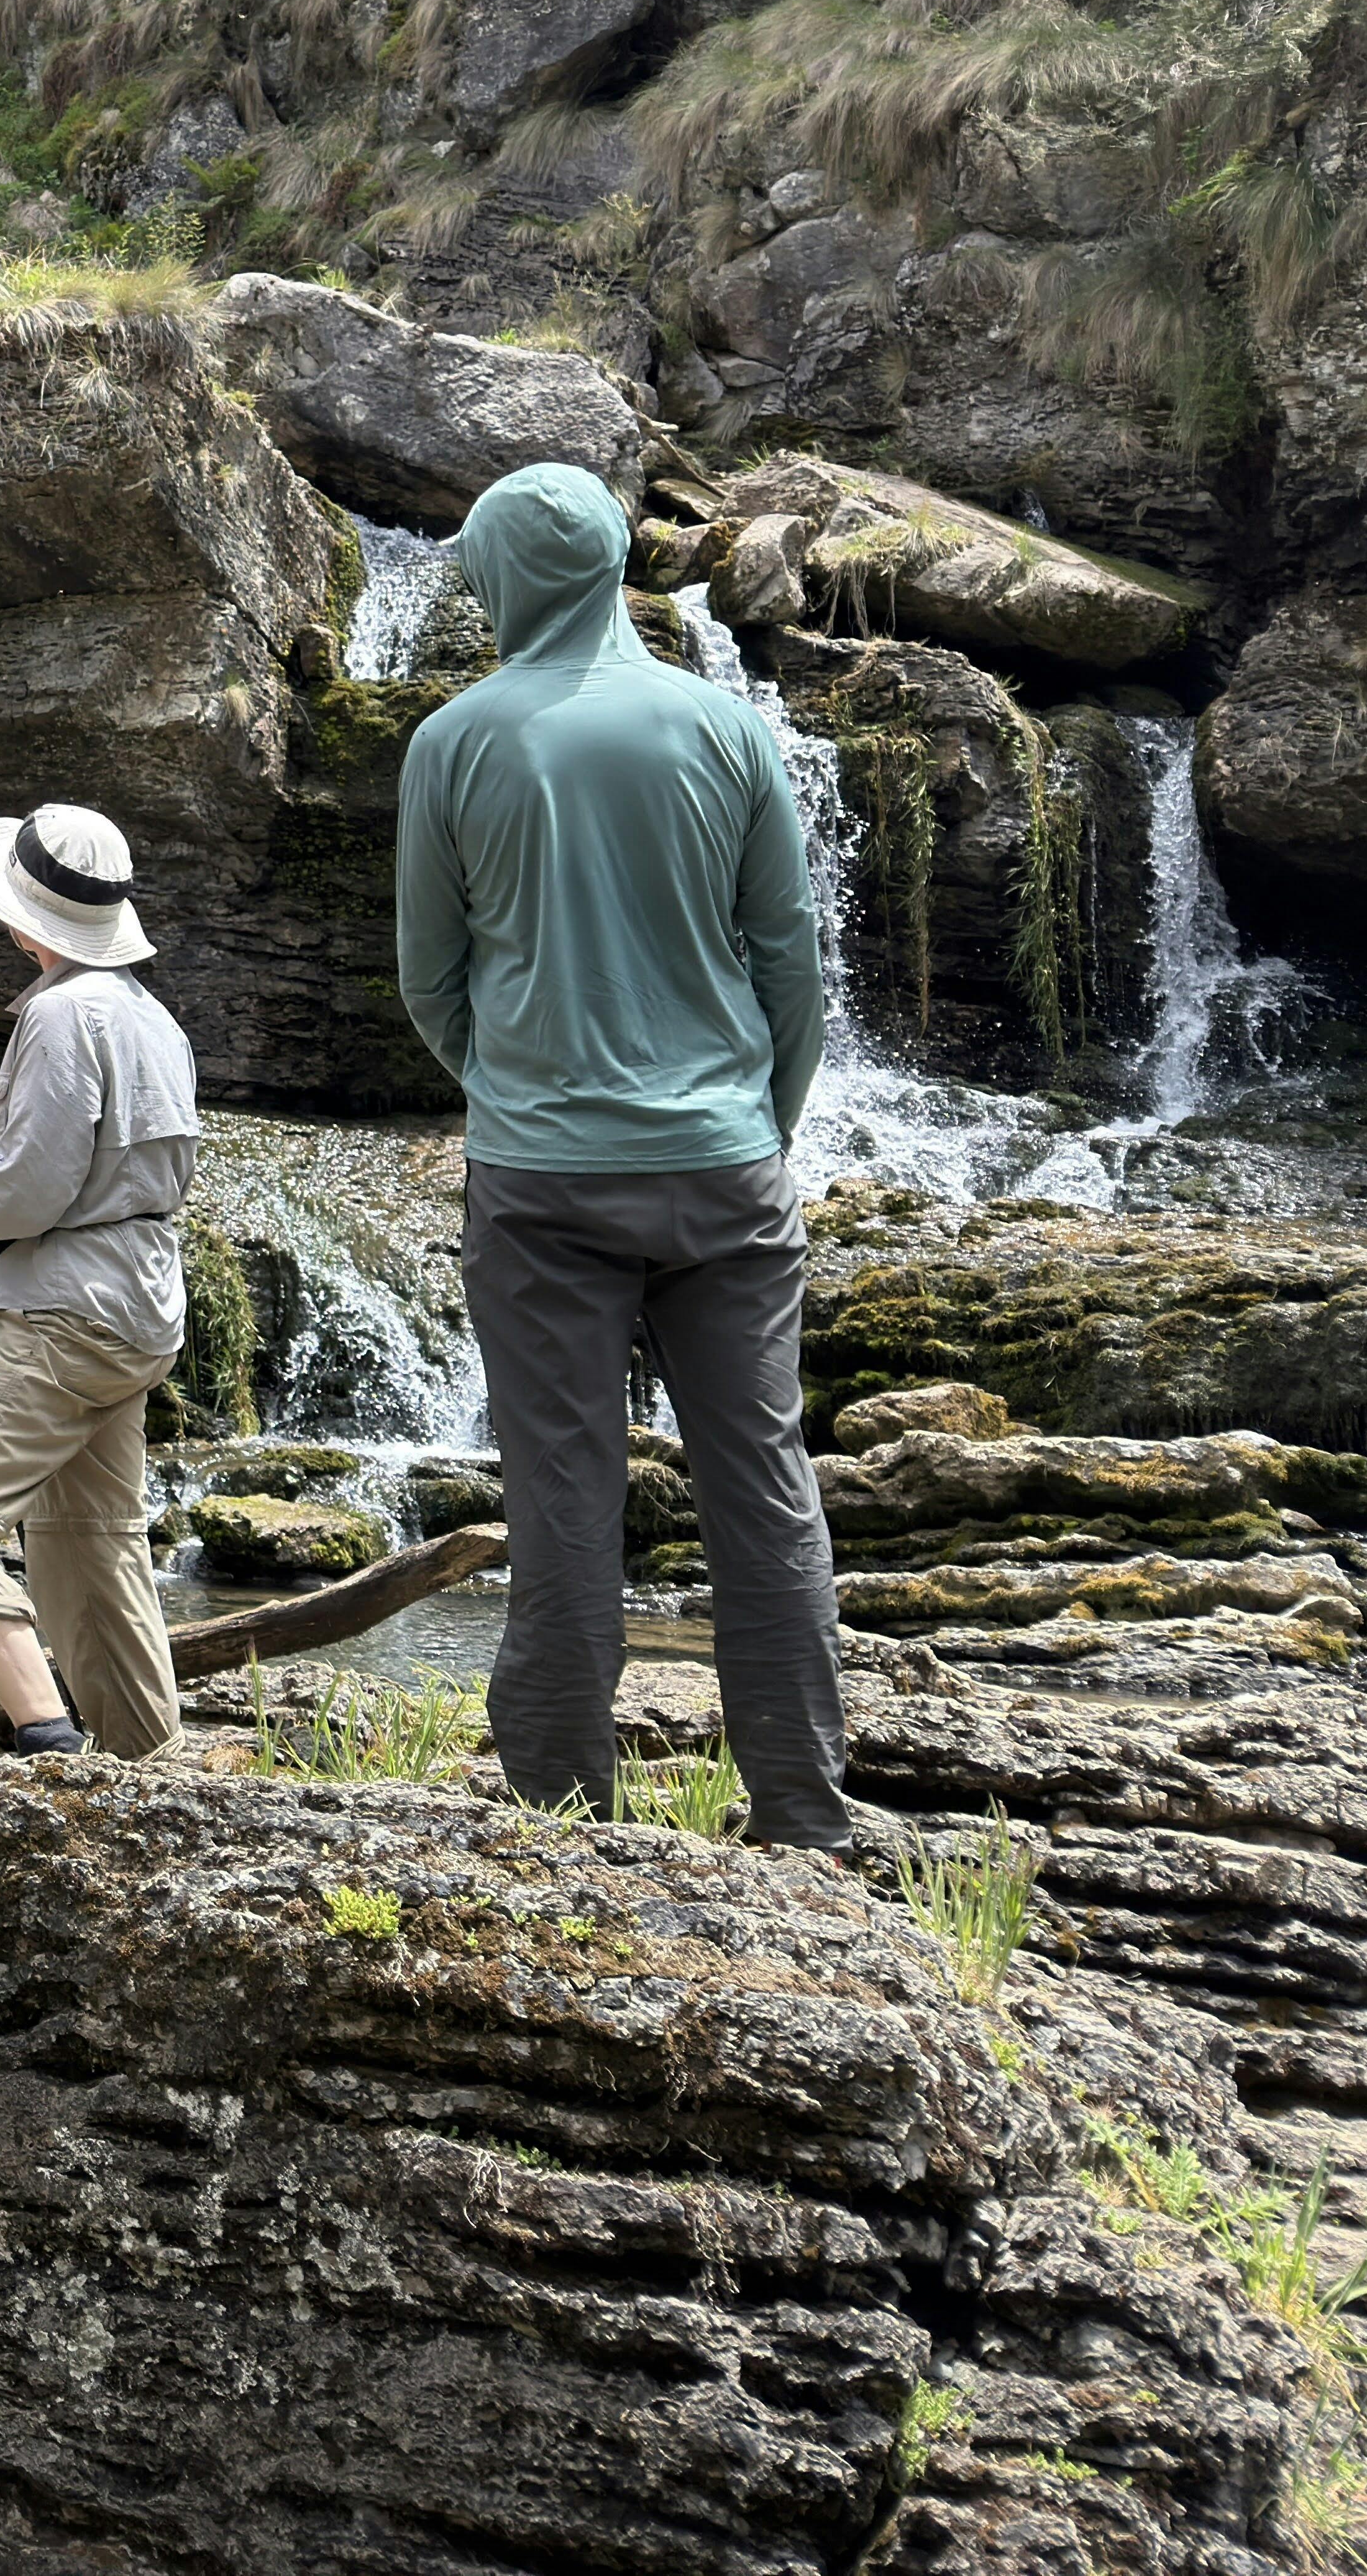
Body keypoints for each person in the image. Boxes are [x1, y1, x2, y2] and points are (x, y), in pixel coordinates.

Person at [398, 461, 840, 1844]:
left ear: (507, 580)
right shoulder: (728, 728)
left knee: (563, 1499)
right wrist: (760, 1123)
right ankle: (806, 1818)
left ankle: (558, 1824)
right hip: (727, 1168)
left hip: (539, 1186)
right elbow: (792, 965)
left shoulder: (456, 741)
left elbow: (431, 978)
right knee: (763, 1486)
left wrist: (520, 1090)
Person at [0, 802, 199, 1759]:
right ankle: (152, 1770)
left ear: (28, 921)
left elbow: (27, 1193)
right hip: (137, 1314)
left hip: (60, 1316)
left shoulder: (62, 1015)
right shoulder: (155, 1019)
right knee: (88, 1549)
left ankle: (49, 1740)